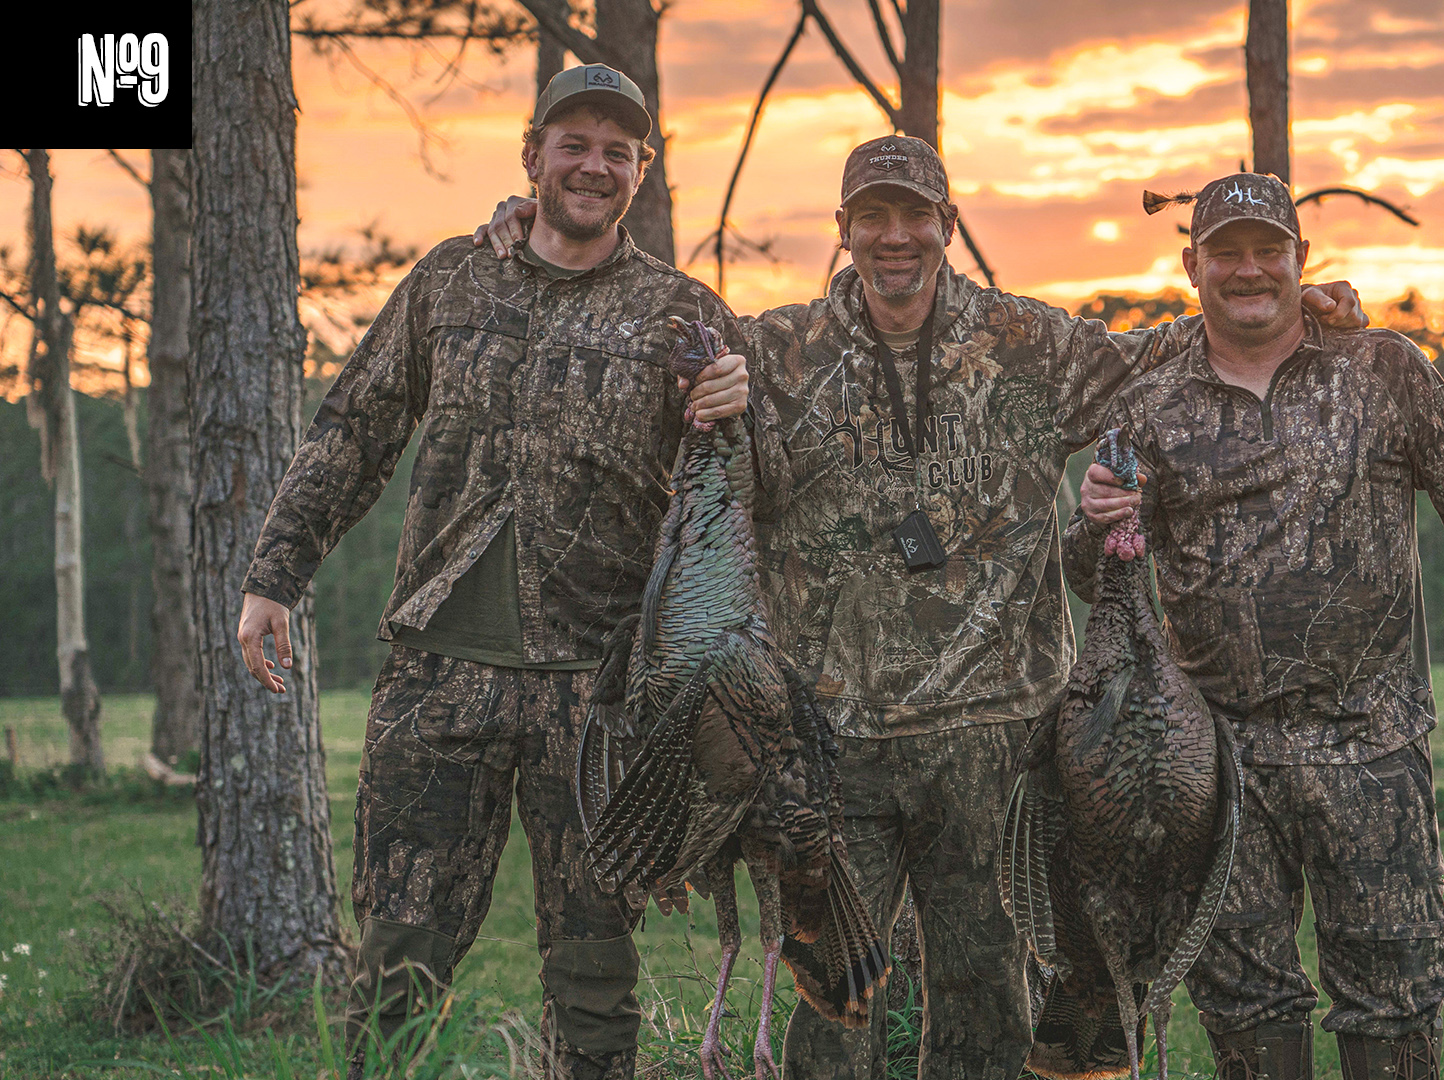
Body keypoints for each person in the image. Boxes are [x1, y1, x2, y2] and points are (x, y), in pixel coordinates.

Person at [472, 137, 1367, 1080]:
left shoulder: (1028, 344)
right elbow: (638, 346)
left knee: (990, 1006)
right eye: (873, 218)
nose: (895, 237)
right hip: (827, 741)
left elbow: (1169, 353)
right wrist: (530, 225)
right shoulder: (775, 352)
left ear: (947, 226)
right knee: (834, 1015)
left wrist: (1294, 307)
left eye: (915, 217)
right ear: (845, 231)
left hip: (1000, 737)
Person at [234, 65, 764, 1080]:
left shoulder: (683, 315)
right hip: (437, 680)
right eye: (575, 143)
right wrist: (275, 574)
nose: (594, 165)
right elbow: (354, 431)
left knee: (596, 972)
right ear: (532, 155)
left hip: (599, 687)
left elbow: (737, 495)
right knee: (401, 957)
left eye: (618, 149)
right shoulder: (451, 280)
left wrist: (737, 408)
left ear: (642, 172)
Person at [1064, 172, 1444, 1080]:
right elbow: (1095, 580)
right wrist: (1096, 522)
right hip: (1218, 759)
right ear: (1191, 266)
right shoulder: (1152, 409)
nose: (1248, 269)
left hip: (1373, 744)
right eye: (1226, 253)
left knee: (1396, 989)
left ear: (1300, 259)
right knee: (1245, 998)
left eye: (1267, 249)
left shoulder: (1385, 370)